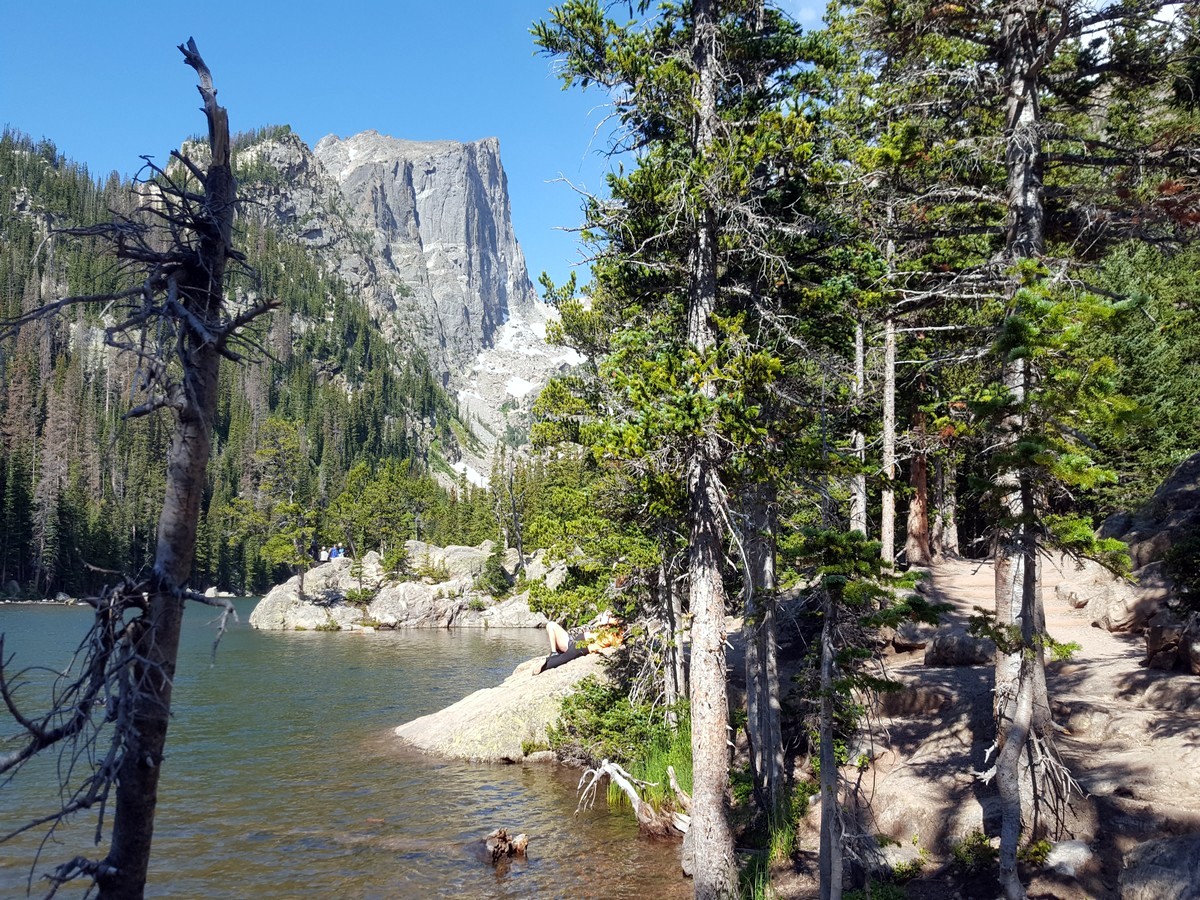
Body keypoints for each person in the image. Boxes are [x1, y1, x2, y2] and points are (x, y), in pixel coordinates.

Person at [537, 611, 623, 674]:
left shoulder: (612, 630)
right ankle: (547, 661)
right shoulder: (617, 633)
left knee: (564, 657)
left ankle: (550, 658)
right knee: (563, 658)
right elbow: (615, 642)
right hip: (584, 643)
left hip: (583, 640)